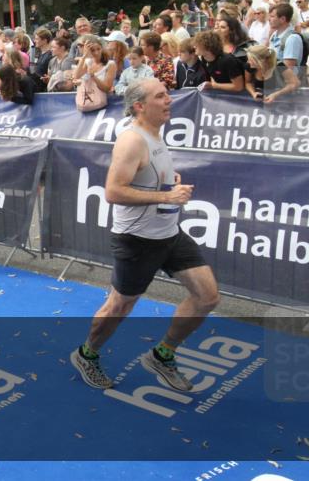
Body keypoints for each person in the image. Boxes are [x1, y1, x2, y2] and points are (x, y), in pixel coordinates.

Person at [71, 78, 219, 391]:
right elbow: (113, 191)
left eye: (168, 95)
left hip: (169, 234)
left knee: (207, 297)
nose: (169, 101)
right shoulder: (132, 140)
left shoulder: (155, 134)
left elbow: (145, 176)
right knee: (119, 307)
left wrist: (167, 182)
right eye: (161, 96)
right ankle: (87, 354)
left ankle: (162, 355)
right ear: (140, 106)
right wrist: (166, 197)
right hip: (137, 240)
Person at [194, 29, 245, 93]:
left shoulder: (228, 61)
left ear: (208, 47)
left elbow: (239, 87)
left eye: (197, 45)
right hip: (222, 94)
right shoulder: (204, 58)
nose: (194, 47)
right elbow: (212, 75)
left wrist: (214, 85)